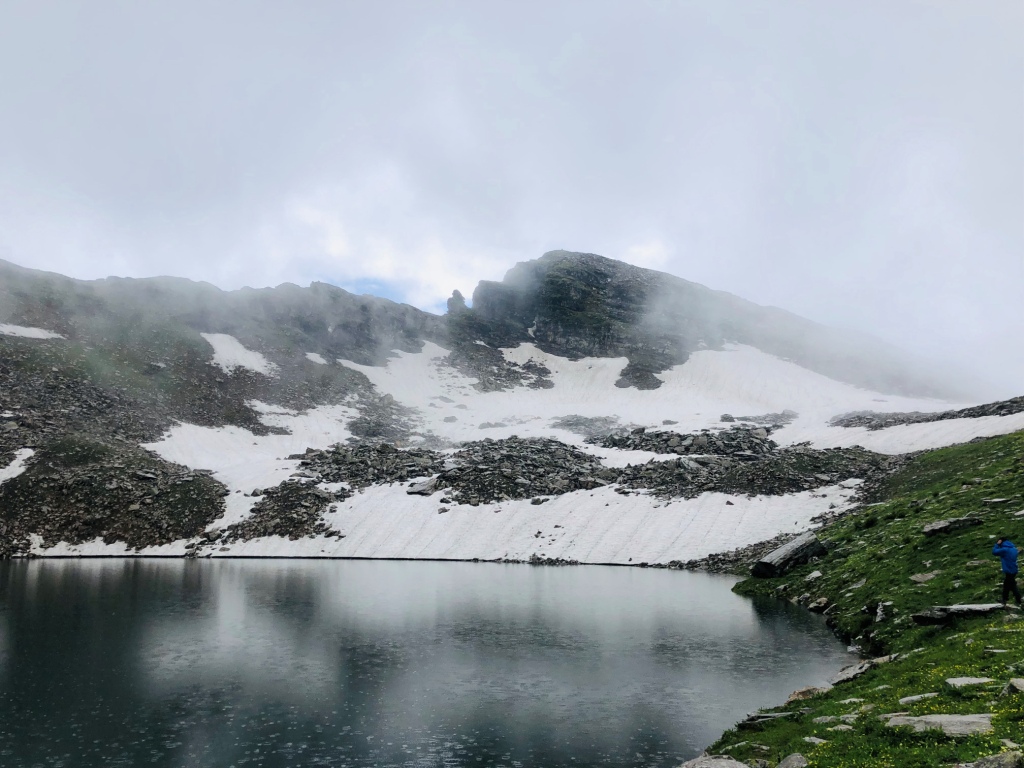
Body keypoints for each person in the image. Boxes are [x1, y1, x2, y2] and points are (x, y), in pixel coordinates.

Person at [992, 537, 1022, 607]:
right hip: (1014, 569)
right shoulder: (1013, 549)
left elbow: (994, 552)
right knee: (1008, 585)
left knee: (1011, 585)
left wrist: (997, 544)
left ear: (1001, 542)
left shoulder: (1005, 550)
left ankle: (1018, 599)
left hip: (1009, 570)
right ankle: (1005, 599)